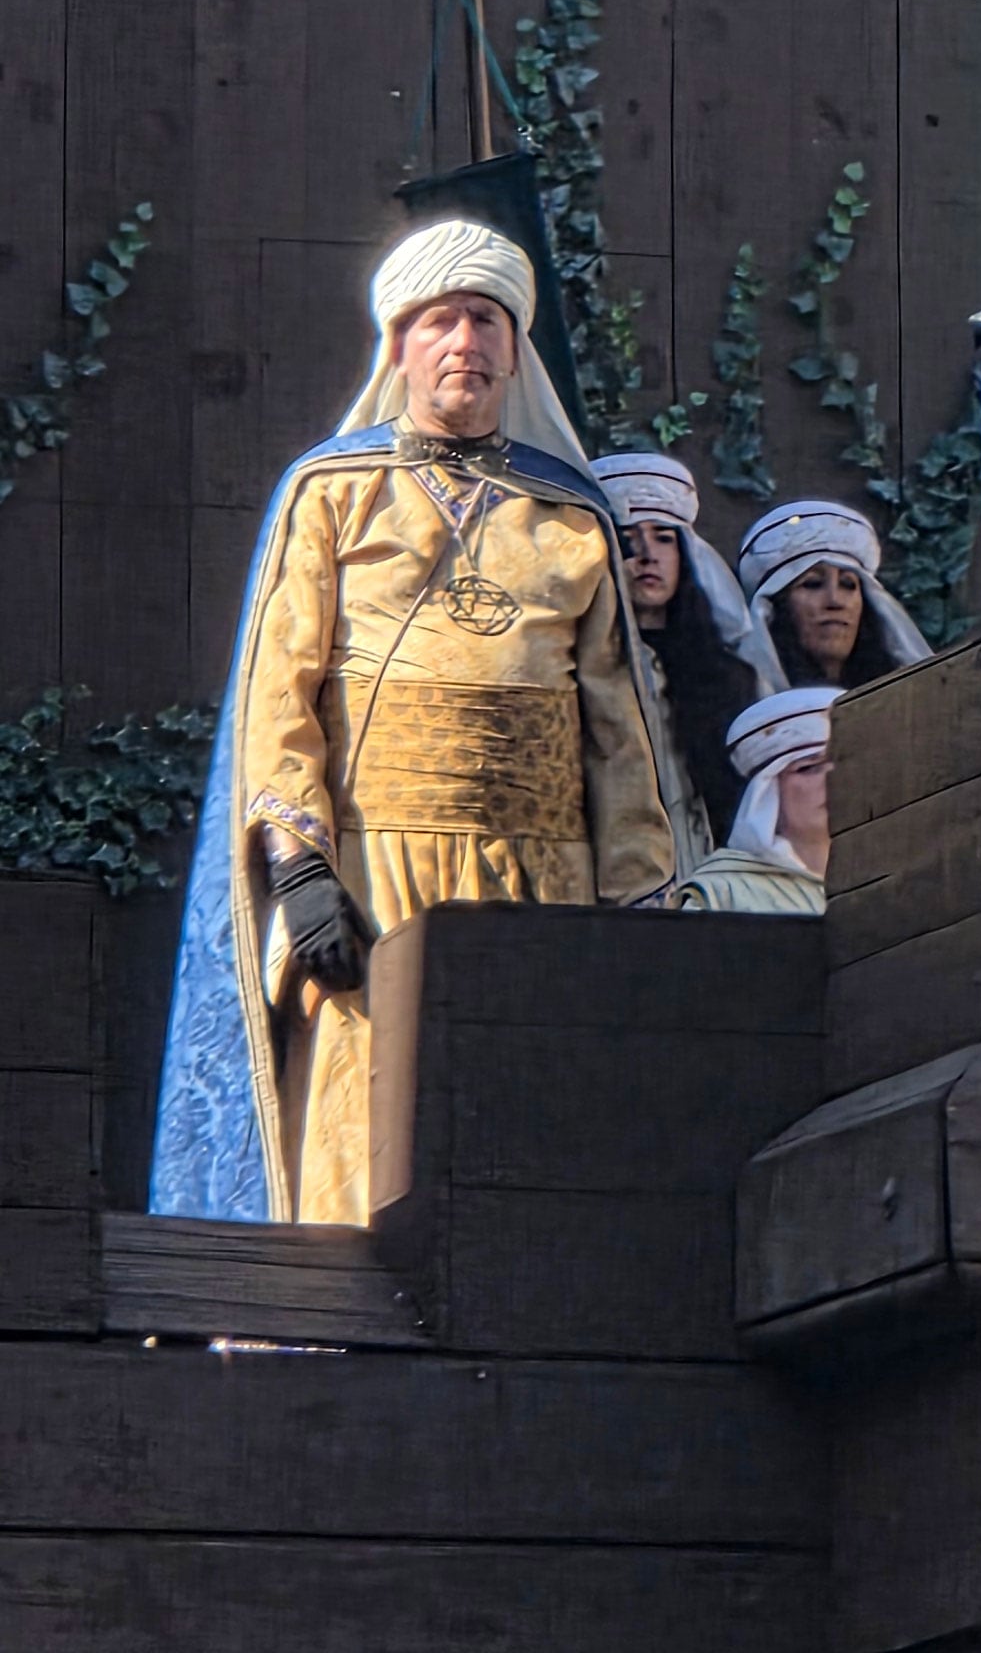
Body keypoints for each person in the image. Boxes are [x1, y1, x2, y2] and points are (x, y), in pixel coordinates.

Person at [151, 222, 681, 1224]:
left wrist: (638, 902)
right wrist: (301, 870)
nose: (464, 341)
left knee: (525, 1133)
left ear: (515, 348)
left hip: (543, 882)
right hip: (373, 870)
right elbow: (281, 690)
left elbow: (619, 733)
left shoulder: (572, 516)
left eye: (485, 319)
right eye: (440, 320)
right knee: (365, 1137)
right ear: (398, 343)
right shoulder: (330, 491)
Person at [592, 448, 780, 837]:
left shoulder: (728, 677)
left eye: (663, 539)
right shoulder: (586, 668)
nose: (647, 555)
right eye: (628, 539)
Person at [658, 686, 833, 916]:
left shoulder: (881, 882)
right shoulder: (722, 895)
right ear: (767, 789)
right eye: (809, 768)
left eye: (848, 764)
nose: (835, 779)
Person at [739, 502, 936, 689]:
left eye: (848, 585)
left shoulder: (907, 705)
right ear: (777, 606)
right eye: (812, 584)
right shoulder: (742, 699)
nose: (835, 601)